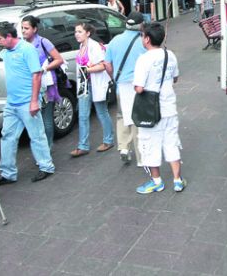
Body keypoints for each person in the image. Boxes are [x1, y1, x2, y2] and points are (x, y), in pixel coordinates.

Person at [0, 21, 55, 185]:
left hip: (27, 102)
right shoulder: (6, 52)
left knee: (37, 136)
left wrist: (34, 101)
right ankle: (8, 173)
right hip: (12, 103)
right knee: (7, 137)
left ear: (9, 36)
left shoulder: (27, 50)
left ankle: (46, 167)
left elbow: (37, 75)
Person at [132, 22, 185, 194]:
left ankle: (156, 181)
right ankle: (177, 180)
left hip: (150, 111)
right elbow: (175, 78)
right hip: (169, 108)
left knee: (149, 145)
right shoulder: (170, 55)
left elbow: (139, 88)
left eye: (142, 36)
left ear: (147, 39)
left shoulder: (143, 59)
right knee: (172, 143)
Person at [103, 11, 148, 165]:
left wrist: (114, 77)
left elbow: (107, 64)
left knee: (122, 116)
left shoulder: (115, 40)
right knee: (137, 118)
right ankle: (141, 156)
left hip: (121, 85)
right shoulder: (143, 41)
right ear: (141, 24)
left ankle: (123, 147)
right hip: (138, 86)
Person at [70, 23, 115, 157]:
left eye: (79, 31)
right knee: (82, 115)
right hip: (85, 84)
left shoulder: (95, 46)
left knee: (102, 112)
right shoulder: (81, 46)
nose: (76, 34)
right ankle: (83, 145)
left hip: (96, 83)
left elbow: (103, 65)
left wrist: (86, 70)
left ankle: (108, 140)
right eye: (75, 31)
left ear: (88, 33)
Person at [21, 15, 65, 151]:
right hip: (29, 86)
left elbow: (59, 59)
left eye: (26, 28)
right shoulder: (21, 44)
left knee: (46, 119)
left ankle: (48, 147)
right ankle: (39, 148)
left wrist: (44, 68)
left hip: (46, 85)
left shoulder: (43, 42)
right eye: (22, 28)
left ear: (35, 29)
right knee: (34, 120)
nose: (23, 31)